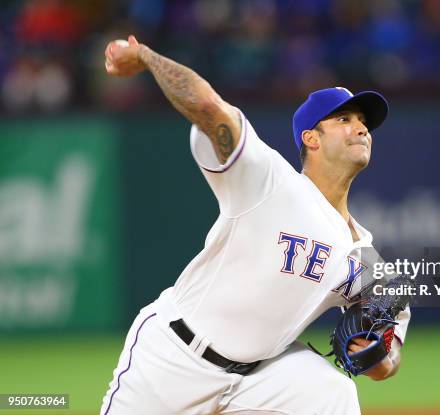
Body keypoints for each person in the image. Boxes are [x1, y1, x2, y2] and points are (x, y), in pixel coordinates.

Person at [101, 35, 410, 415]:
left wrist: (380, 359)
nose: (361, 129)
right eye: (344, 120)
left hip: (260, 379)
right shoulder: (269, 180)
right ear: (310, 138)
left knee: (333, 393)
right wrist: (147, 57)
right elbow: (208, 107)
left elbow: (390, 346)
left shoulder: (364, 258)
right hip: (175, 357)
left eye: (364, 122)